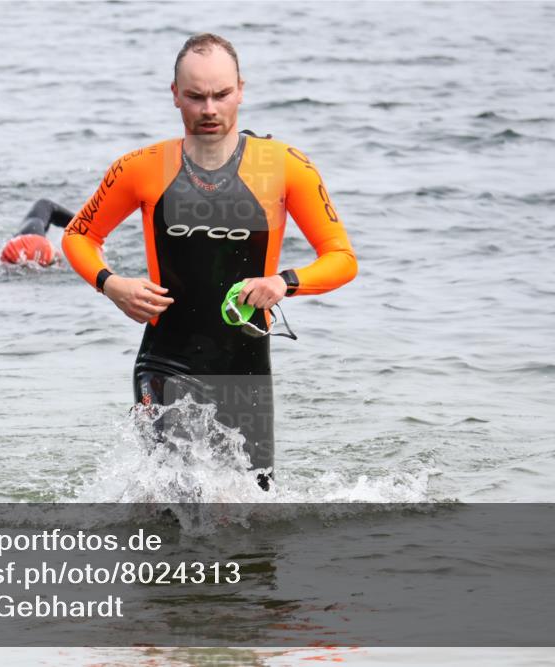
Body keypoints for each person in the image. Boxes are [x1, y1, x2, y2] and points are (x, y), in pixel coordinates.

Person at [61, 33, 357, 490]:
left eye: (221, 95)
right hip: (166, 359)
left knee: (254, 517)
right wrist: (111, 284)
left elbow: (341, 258)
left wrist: (285, 282)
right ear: (175, 95)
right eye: (196, 97)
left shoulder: (283, 166)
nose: (209, 109)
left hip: (245, 368)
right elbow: (79, 235)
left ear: (241, 89)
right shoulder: (141, 167)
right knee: (176, 500)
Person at [0, 199, 74, 267]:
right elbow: (45, 205)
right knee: (44, 204)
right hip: (28, 243)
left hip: (11, 254)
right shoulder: (35, 227)